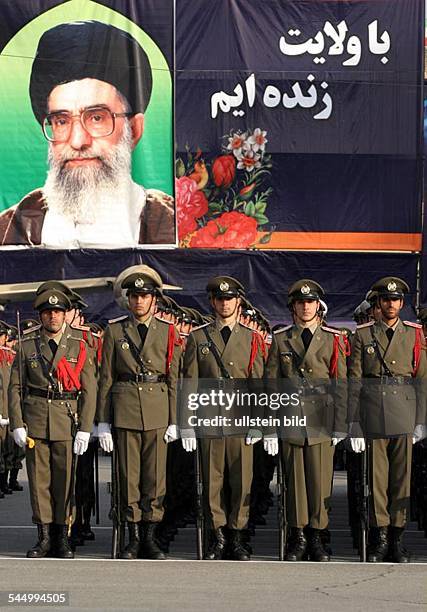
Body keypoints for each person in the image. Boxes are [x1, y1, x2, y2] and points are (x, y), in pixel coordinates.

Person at [0, 20, 175, 248]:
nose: (77, 141)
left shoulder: (174, 225)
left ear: (134, 130)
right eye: (61, 121)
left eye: (96, 118)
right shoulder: (10, 229)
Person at [96, 267, 181, 560]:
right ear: (128, 300)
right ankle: (133, 537)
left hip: (157, 409)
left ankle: (150, 537)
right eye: (135, 296)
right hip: (126, 408)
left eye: (145, 296)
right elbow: (106, 378)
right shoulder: (115, 330)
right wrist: (103, 421)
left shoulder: (168, 331)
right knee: (129, 477)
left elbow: (173, 378)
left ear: (154, 299)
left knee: (155, 478)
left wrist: (175, 419)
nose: (140, 301)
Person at [8, 287, 97, 558]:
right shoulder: (27, 345)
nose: (53, 317)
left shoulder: (79, 344)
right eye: (48, 312)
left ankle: (62, 536)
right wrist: (17, 423)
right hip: (36, 420)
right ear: (41, 316)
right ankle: (44, 537)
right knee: (39, 481)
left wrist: (86, 429)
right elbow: (14, 388)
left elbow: (90, 389)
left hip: (66, 420)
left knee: (65, 481)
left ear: (65, 314)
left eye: (58, 312)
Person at [264, 279, 349, 562]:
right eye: (300, 302)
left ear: (318, 306)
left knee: (320, 482)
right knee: (295, 482)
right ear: (293, 307)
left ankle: (317, 536)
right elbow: (272, 384)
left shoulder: (333, 338)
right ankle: (298, 536)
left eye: (310, 302)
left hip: (321, 417)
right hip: (290, 417)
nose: (305, 306)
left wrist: (340, 423)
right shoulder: (281, 339)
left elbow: (341, 384)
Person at [181, 276, 265, 560]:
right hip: (210, 416)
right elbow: (190, 382)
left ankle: (238, 536)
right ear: (212, 302)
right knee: (212, 480)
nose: (224, 303)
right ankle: (218, 536)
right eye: (219, 299)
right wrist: (186, 422)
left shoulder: (251, 338)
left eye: (229, 298)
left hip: (240, 417)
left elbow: (258, 383)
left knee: (242, 481)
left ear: (238, 301)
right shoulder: (198, 337)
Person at [348, 277, 427, 562]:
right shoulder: (363, 335)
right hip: (373, 411)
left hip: (404, 411)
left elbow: (421, 379)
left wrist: (421, 419)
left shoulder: (414, 334)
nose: (390, 304)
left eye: (395, 300)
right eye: (385, 299)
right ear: (378, 303)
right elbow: (354, 380)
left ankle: (398, 537)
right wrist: (353, 420)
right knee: (377, 480)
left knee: (401, 481)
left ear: (402, 304)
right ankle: (380, 537)